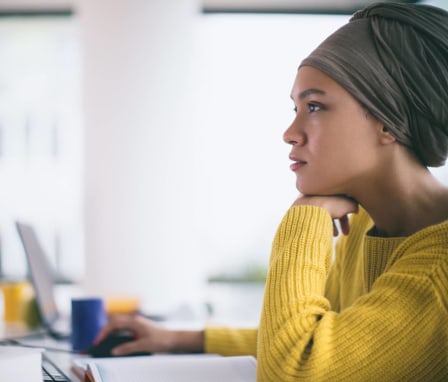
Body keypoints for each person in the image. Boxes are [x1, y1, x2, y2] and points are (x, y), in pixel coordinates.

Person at [95, 2, 448, 380]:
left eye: (314, 106)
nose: (290, 133)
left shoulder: (437, 269)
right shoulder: (365, 225)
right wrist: (175, 339)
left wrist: (304, 217)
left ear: (388, 121)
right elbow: (306, 334)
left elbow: (294, 368)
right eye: (296, 108)